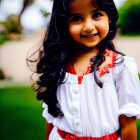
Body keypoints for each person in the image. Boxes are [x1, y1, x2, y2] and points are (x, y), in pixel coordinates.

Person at [33, 0, 140, 139]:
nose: (88, 27)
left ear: (110, 17)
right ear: (63, 24)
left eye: (96, 15)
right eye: (76, 18)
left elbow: (128, 123)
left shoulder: (121, 66)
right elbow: (52, 117)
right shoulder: (58, 64)